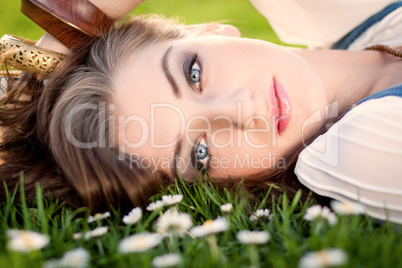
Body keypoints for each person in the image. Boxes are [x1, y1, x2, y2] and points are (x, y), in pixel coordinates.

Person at [0, 0, 401, 224]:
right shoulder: (368, 150)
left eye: (194, 73)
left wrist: (61, 31)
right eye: (200, 152)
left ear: (209, 30)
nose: (240, 110)